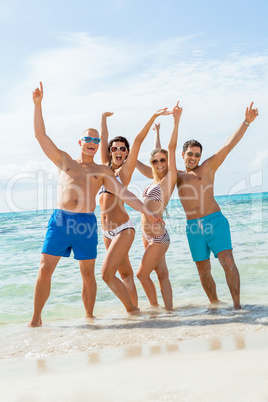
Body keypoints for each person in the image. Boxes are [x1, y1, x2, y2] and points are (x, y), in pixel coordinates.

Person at [29, 82, 164, 327]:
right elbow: (41, 136)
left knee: (89, 273)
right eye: (88, 138)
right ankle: (36, 319)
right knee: (45, 268)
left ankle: (89, 317)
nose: (92, 142)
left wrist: (146, 210)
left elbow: (123, 193)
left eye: (96, 139)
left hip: (86, 223)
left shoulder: (103, 171)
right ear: (80, 142)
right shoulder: (65, 160)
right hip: (61, 220)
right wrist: (38, 105)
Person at [139, 102, 259, 309]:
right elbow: (158, 159)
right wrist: (156, 134)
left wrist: (246, 121)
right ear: (183, 155)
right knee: (203, 270)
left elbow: (229, 145)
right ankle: (215, 306)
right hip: (193, 227)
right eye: (190, 154)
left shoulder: (208, 168)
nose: (194, 157)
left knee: (228, 261)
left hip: (215, 222)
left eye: (197, 154)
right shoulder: (175, 176)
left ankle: (238, 308)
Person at [99, 109, 171, 313]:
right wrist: (103, 119)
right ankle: (135, 313)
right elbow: (104, 138)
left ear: (127, 152)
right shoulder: (105, 169)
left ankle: (132, 310)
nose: (119, 151)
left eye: (123, 148)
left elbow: (138, 140)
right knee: (125, 274)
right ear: (110, 151)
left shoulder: (125, 171)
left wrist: (153, 116)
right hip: (105, 231)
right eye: (115, 148)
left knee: (108, 274)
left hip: (122, 227)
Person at [135, 101, 182, 310]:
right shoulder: (154, 179)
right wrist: (156, 132)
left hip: (158, 237)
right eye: (156, 161)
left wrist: (176, 120)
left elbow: (169, 149)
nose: (160, 164)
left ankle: (155, 310)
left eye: (163, 160)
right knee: (161, 274)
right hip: (146, 234)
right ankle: (169, 312)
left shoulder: (169, 179)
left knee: (141, 274)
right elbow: (157, 150)